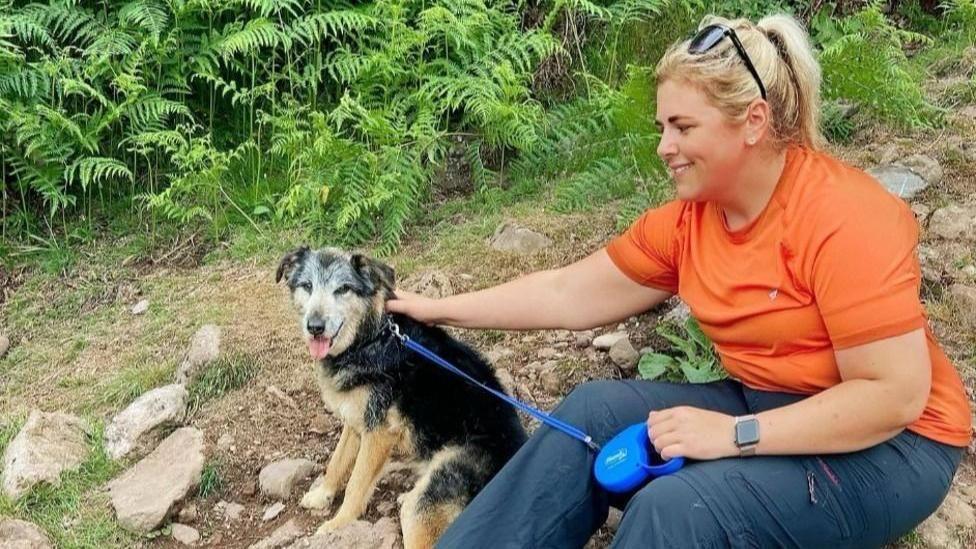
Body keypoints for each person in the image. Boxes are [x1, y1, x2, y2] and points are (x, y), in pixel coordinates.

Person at [386, 13, 973, 549]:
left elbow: (892, 395)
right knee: (592, 413)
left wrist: (736, 434)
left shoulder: (843, 216)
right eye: (663, 126)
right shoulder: (691, 223)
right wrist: (435, 310)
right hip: (768, 404)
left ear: (753, 122)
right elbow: (567, 292)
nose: (665, 147)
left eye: (683, 126)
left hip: (895, 447)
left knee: (678, 509)